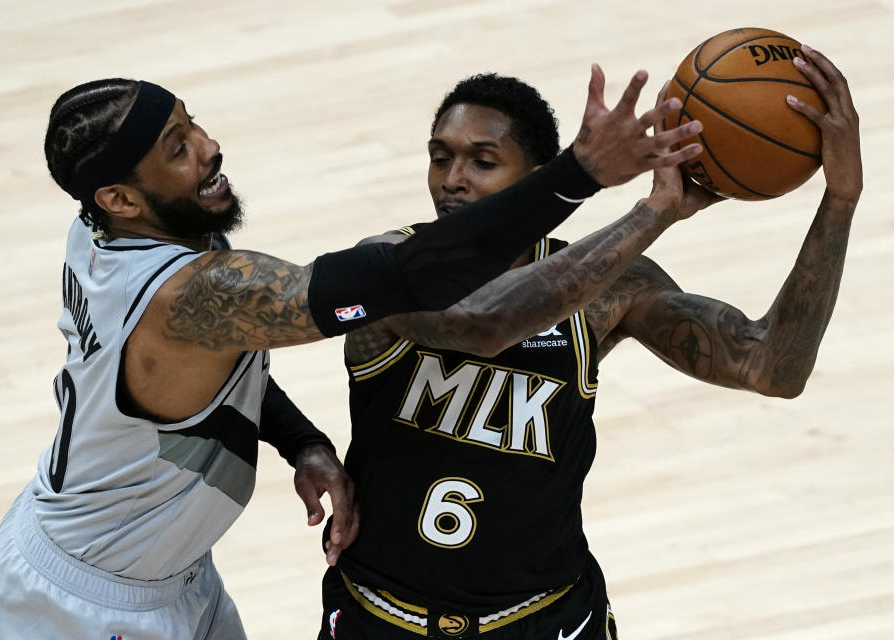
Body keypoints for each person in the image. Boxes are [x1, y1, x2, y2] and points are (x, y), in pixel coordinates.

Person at [0, 65, 700, 639]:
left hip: (166, 573)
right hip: (84, 609)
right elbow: (404, 279)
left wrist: (303, 442)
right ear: (121, 197)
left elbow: (217, 364)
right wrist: (577, 176)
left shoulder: (122, 227)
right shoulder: (188, 294)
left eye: (192, 124)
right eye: (178, 148)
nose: (210, 147)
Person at [319, 45, 860, 640]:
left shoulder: (611, 288)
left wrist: (838, 203)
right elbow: (484, 323)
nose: (452, 181)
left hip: (544, 617)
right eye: (440, 158)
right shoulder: (383, 265)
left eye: (482, 162)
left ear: (535, 180)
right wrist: (655, 212)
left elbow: (770, 367)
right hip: (384, 614)